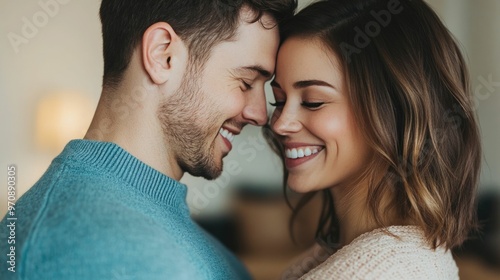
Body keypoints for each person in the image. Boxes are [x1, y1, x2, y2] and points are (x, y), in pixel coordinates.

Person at [0, 0, 296, 279]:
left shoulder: (154, 238)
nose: (260, 114)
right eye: (246, 82)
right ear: (162, 54)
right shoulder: (93, 252)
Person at [265, 0, 482, 279]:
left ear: (395, 111)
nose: (280, 124)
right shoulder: (384, 253)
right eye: (279, 100)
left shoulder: (376, 272)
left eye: (313, 102)